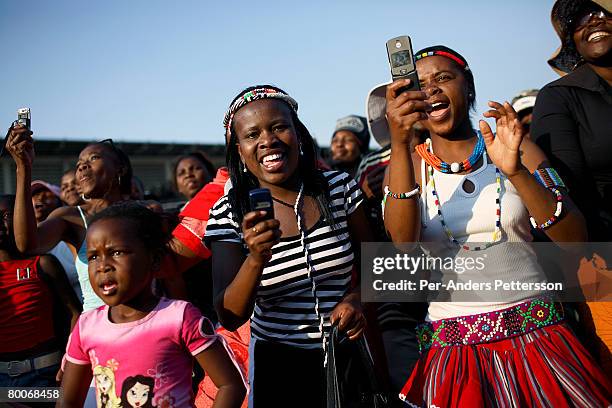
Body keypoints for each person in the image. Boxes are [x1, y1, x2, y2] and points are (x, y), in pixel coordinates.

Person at [382, 45, 611, 406]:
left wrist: (515, 171)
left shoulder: (516, 146)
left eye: (443, 78)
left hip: (541, 341)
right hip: (457, 355)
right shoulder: (405, 167)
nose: (432, 90)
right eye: (420, 84)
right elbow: (403, 249)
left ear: (468, 87)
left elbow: (574, 238)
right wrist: (398, 142)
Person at [205, 85, 370, 407]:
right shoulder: (228, 212)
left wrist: (357, 300)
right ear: (239, 150)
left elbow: (383, 266)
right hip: (279, 367)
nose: (268, 140)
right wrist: (255, 258)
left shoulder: (339, 188)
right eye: (252, 135)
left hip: (346, 353)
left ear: (298, 133)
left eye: (279, 127)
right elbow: (228, 316)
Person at [58, 203, 245, 407]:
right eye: (94, 256)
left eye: (117, 252)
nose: (103, 266)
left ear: (154, 260)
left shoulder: (179, 317)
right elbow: (68, 401)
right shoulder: (86, 327)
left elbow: (230, 385)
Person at [531, 0, 612, 374]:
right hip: (603, 265)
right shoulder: (558, 97)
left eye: (604, 10)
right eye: (579, 17)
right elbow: (566, 196)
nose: (595, 19)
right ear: (570, 39)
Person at [6, 128, 133, 312]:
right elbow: (28, 244)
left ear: (120, 168)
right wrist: (23, 167)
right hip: (97, 332)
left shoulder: (145, 212)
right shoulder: (71, 218)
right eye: (79, 164)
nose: (82, 167)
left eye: (94, 158)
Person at [0, 194, 81, 387]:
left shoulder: (44, 264)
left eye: (6, 216)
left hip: (46, 375)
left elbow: (75, 314)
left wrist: (70, 361)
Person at [31, 179, 82, 302]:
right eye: (35, 195)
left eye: (47, 193)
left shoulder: (74, 235)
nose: (39, 198)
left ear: (60, 202)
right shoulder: (22, 243)